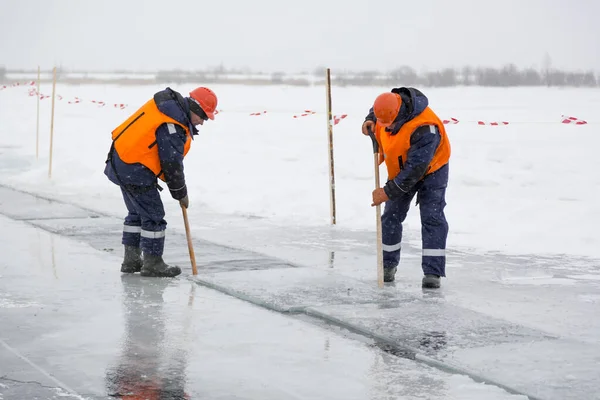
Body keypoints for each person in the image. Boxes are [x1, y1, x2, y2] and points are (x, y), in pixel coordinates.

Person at [104, 86, 217, 277]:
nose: (203, 122)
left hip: (122, 161)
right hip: (134, 168)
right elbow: (171, 163)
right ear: (195, 109)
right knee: (154, 215)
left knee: (137, 213)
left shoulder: (167, 110)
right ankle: (153, 263)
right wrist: (180, 191)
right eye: (204, 117)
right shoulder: (172, 124)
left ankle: (131, 261)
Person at [362, 87, 450, 288]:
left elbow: (414, 171)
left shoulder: (425, 129)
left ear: (399, 114)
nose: (385, 127)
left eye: (387, 123)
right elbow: (376, 113)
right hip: (402, 166)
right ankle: (387, 265)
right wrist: (368, 120)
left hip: (432, 169)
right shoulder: (388, 109)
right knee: (391, 215)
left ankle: (432, 273)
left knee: (432, 217)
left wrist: (386, 192)